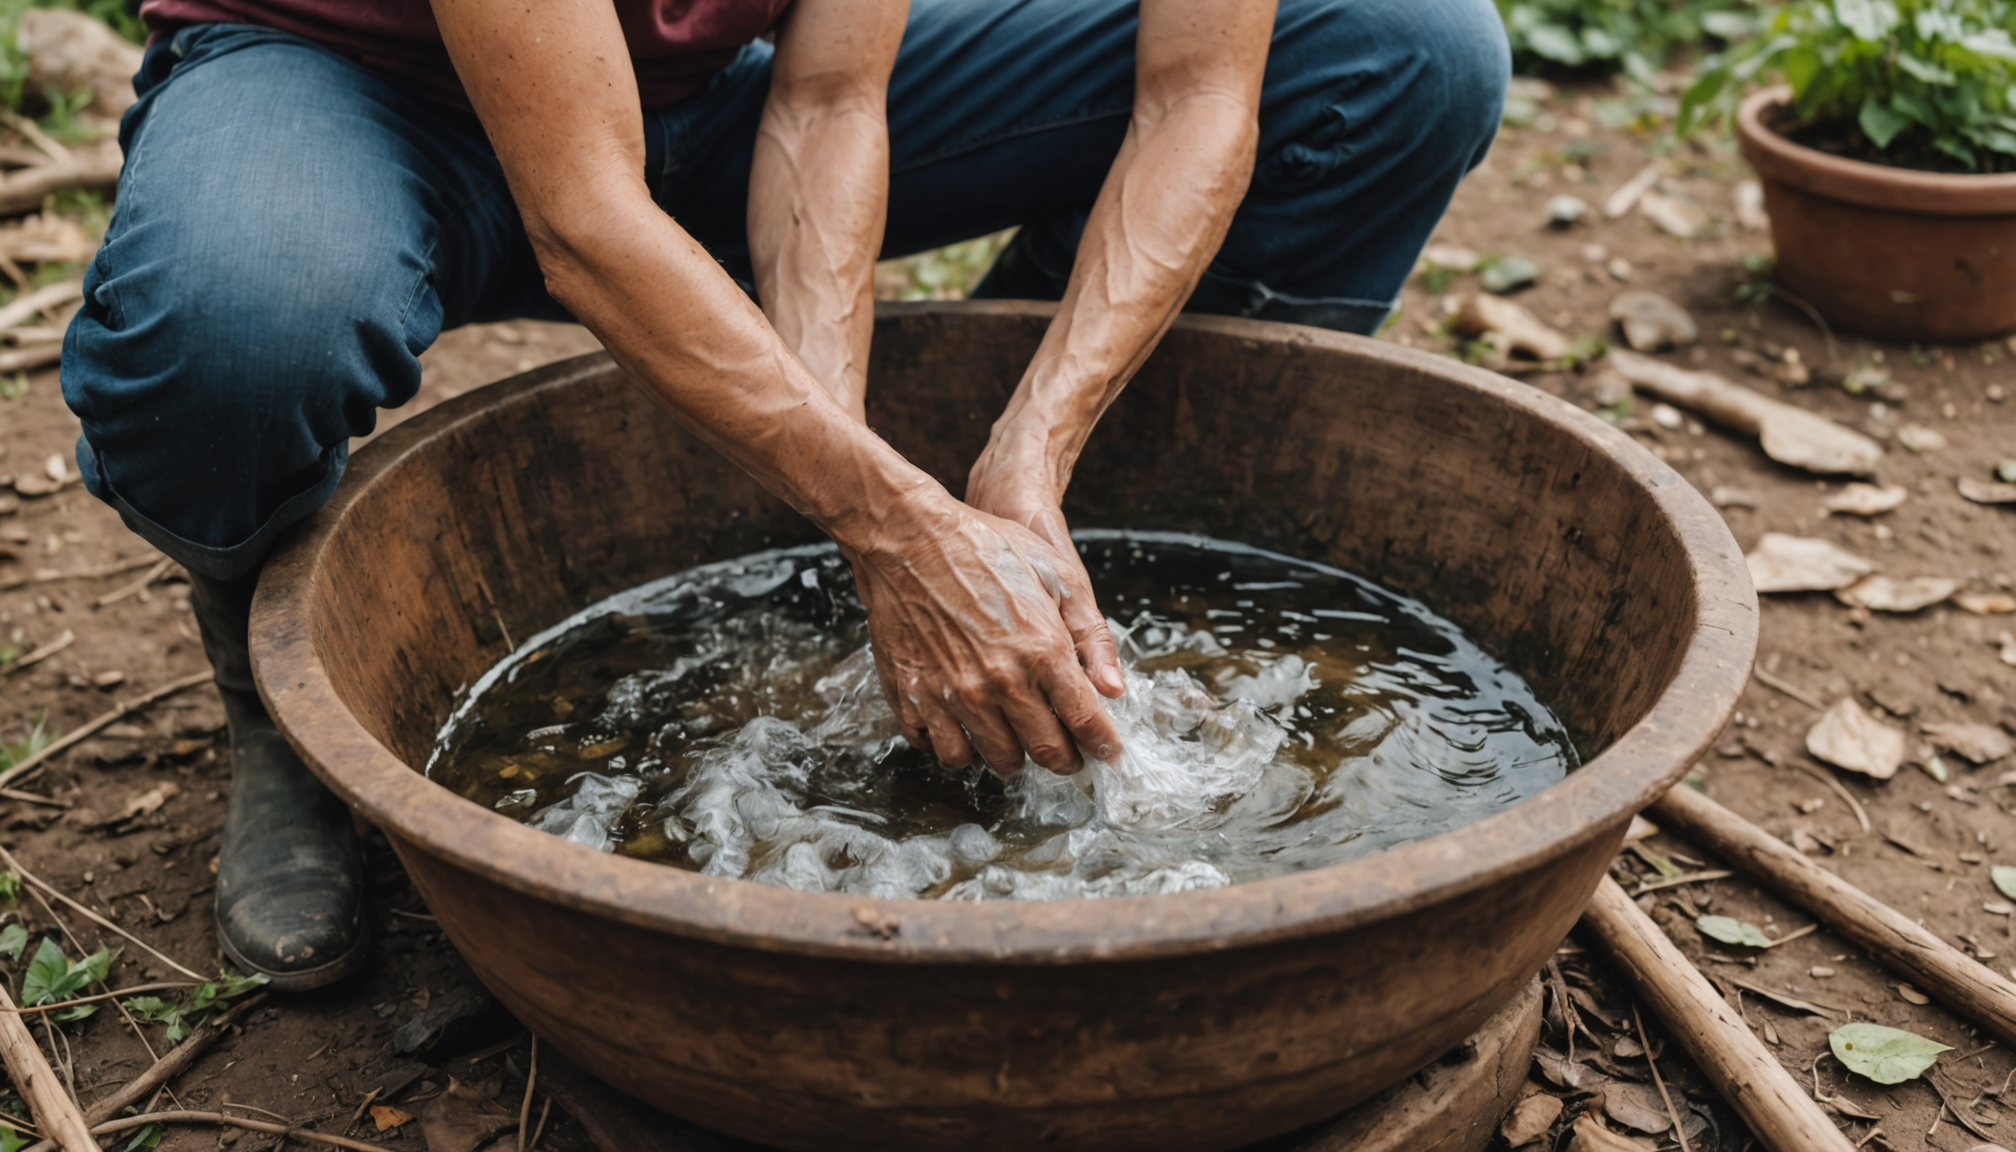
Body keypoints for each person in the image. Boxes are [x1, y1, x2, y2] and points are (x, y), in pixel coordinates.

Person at [61, 0, 1509, 988]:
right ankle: (264, 692)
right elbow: (582, 213)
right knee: (237, 325)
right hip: (359, 91)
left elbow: (830, 100)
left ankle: (1042, 578)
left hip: (720, 97)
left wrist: (1003, 476)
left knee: (1403, 45)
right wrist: (886, 524)